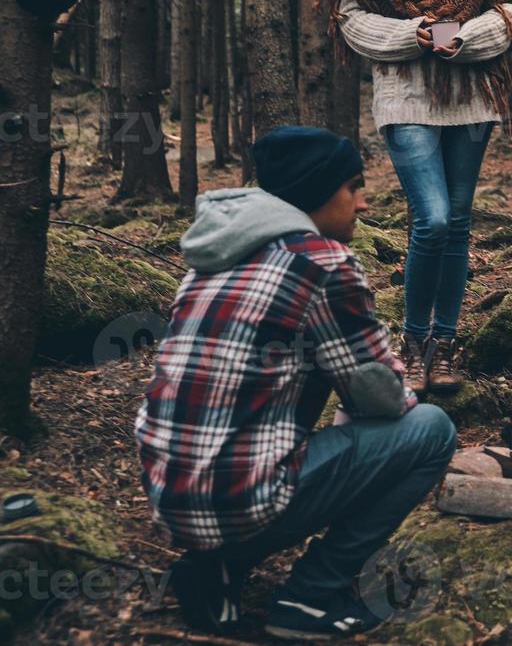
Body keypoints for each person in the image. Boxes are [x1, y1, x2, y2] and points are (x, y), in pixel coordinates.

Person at [136, 127, 456, 639]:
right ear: (318, 192)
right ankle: (310, 598)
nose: (364, 203)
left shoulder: (216, 254)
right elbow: (381, 395)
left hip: (172, 496)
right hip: (235, 497)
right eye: (354, 187)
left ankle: (217, 570)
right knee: (431, 430)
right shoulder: (321, 262)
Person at [314, 0, 512, 395]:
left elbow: (510, 4)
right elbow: (348, 12)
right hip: (405, 93)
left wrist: (466, 36)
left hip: (472, 95)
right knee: (431, 219)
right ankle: (413, 340)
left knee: (458, 223)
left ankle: (447, 342)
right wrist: (414, 34)